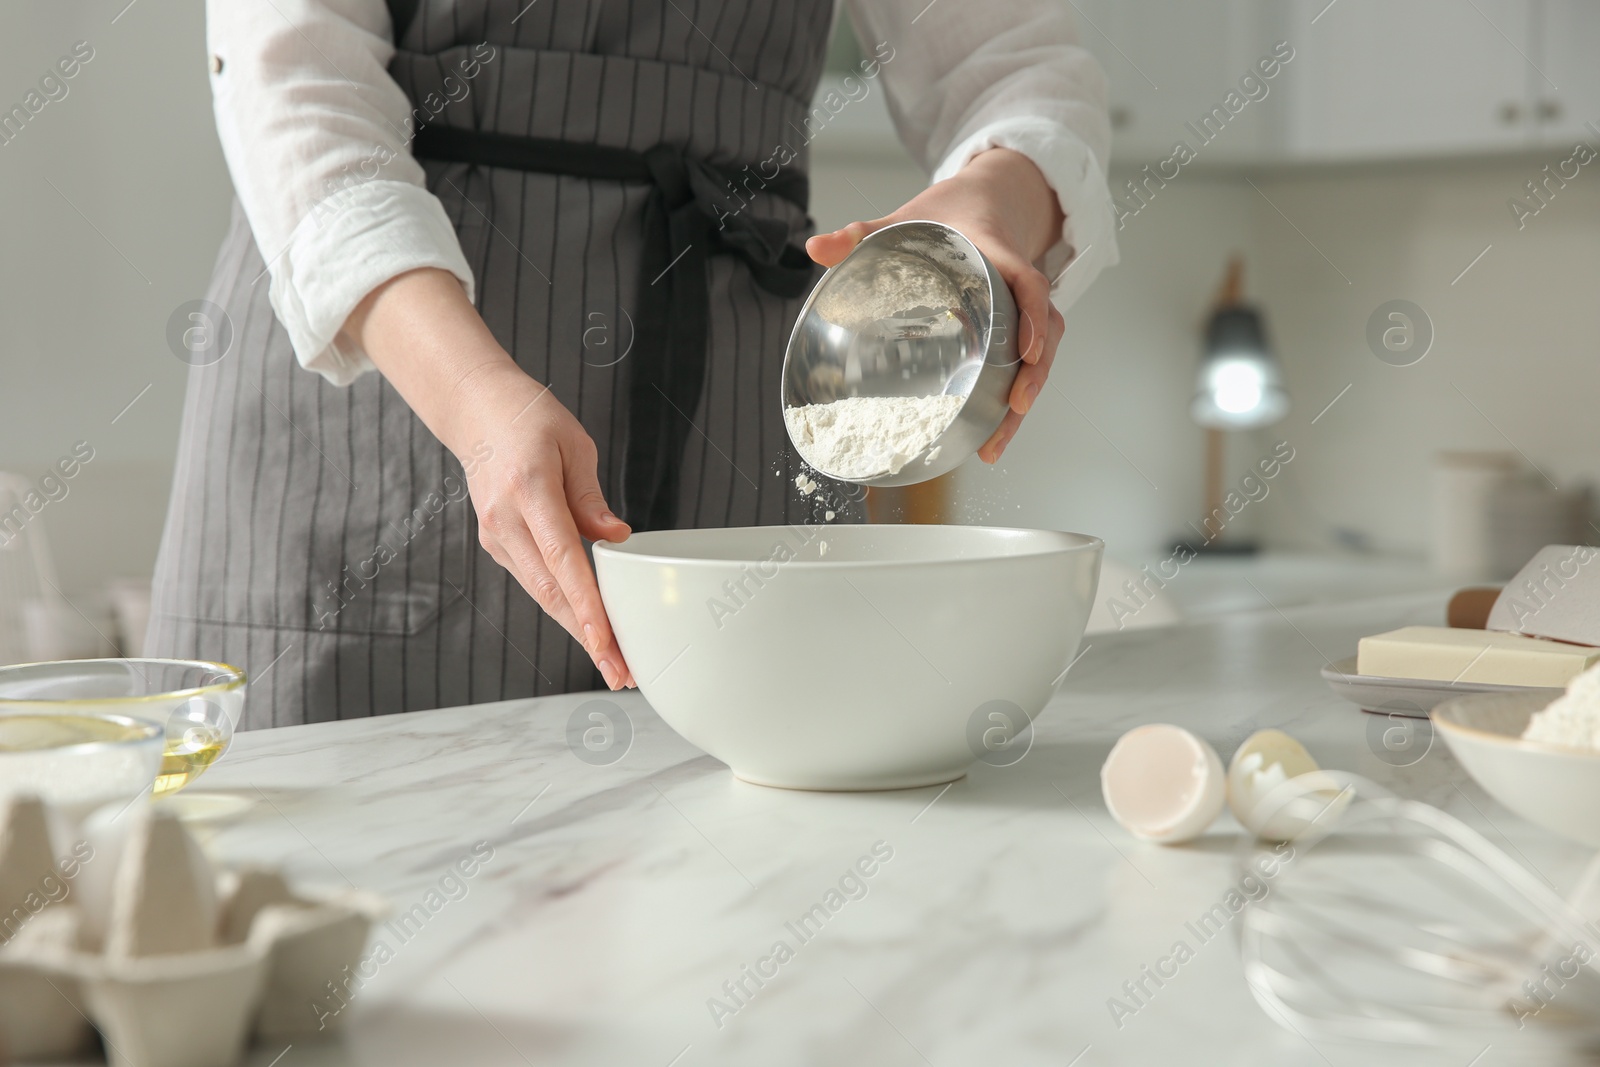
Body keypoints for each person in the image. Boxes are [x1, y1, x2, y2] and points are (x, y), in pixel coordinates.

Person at [146, 0, 1119, 728]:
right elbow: (296, 86)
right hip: (394, 385)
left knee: (726, 934)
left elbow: (1015, 63)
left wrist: (995, 194)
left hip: (738, 409)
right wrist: (476, 400)